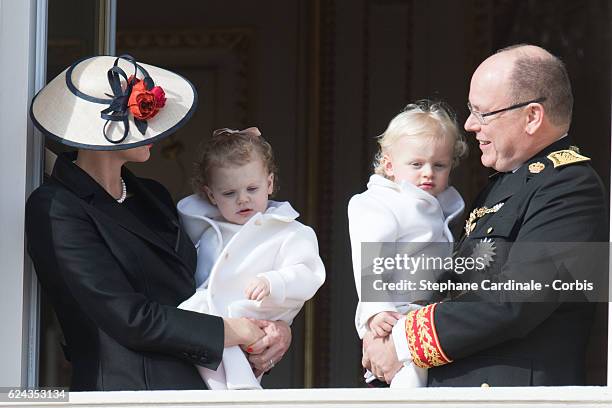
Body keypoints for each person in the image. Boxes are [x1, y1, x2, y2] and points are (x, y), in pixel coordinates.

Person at [25, 55, 290, 391]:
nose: (156, 124)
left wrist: (275, 327)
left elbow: (215, 276)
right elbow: (129, 318)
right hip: (126, 394)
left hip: (205, 386)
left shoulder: (153, 196)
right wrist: (237, 330)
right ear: (102, 129)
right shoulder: (56, 207)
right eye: (144, 114)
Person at [362, 44, 608, 386]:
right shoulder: (502, 187)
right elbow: (454, 288)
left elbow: (519, 298)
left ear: (532, 116)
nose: (470, 125)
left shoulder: (571, 185)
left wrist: (403, 339)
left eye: (483, 113)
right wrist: (382, 324)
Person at [176, 127, 326, 389]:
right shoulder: (205, 227)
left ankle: (243, 394)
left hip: (251, 315)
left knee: (235, 375)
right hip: (204, 319)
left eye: (252, 188)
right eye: (229, 193)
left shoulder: (288, 230)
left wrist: (273, 281)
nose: (243, 199)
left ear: (269, 184)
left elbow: (309, 272)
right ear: (211, 195)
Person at [348, 101, 466, 387]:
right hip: (394, 313)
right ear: (389, 164)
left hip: (427, 316)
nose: (428, 173)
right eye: (416, 164)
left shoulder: (440, 204)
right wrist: (375, 309)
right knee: (407, 384)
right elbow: (369, 258)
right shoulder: (379, 202)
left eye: (439, 165)